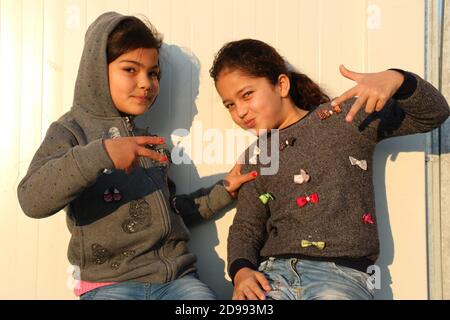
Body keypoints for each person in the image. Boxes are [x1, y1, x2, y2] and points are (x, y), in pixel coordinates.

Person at [17, 12, 256, 300]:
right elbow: (31, 198)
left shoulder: (151, 144)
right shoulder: (71, 130)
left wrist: (222, 191)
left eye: (153, 73)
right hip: (108, 286)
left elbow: (170, 212)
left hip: (176, 282)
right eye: (130, 69)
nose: (146, 82)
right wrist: (102, 153)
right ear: (97, 70)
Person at [209, 39, 450, 300]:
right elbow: (246, 226)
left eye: (247, 95)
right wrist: (241, 270)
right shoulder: (258, 156)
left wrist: (398, 79)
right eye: (230, 104)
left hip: (342, 276)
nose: (240, 112)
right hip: (272, 277)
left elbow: (433, 114)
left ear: (281, 85)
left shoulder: (343, 118)